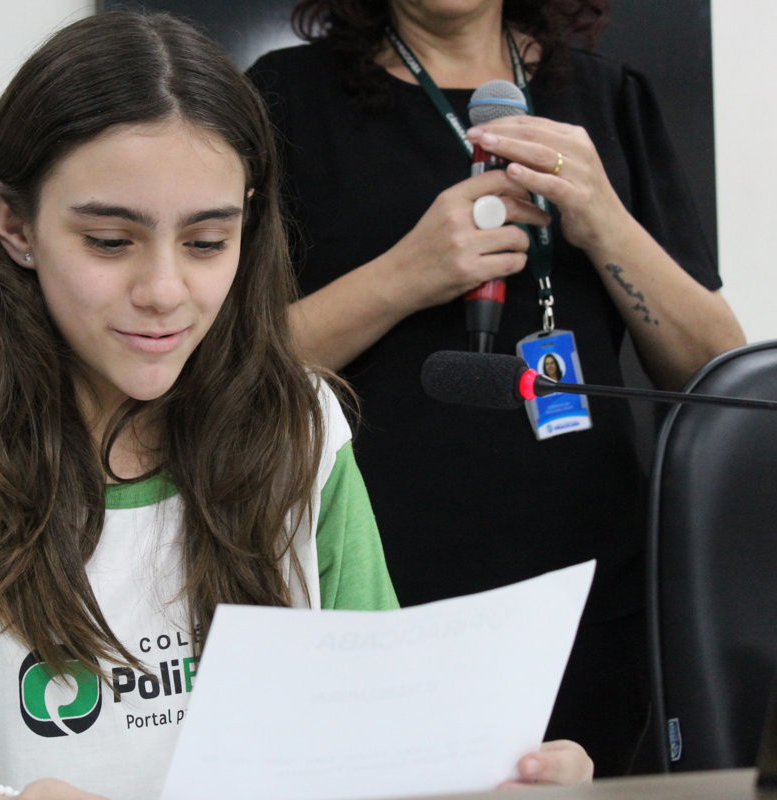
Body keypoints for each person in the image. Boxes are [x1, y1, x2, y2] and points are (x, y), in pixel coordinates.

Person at [0, 11, 593, 800]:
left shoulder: (300, 428)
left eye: (207, 242)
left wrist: (489, 775)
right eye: (109, 242)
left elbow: (376, 742)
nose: (164, 291)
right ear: (13, 226)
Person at [247, 0, 745, 777]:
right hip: (379, 591)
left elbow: (717, 367)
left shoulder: (608, 98)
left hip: (590, 593)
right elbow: (230, 376)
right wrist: (408, 274)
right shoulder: (285, 98)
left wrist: (603, 217)